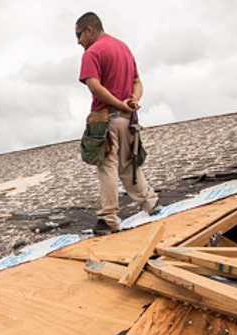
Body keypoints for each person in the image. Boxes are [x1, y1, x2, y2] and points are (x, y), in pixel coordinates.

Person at [75, 12, 158, 234]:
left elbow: (95, 87)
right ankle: (150, 203)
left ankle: (109, 218)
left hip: (108, 118)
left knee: (107, 165)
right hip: (128, 120)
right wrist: (133, 100)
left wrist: (121, 105)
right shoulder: (123, 47)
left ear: (89, 30)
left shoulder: (92, 53)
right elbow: (137, 82)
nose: (78, 41)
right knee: (129, 164)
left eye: (79, 35)